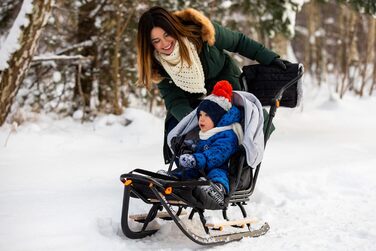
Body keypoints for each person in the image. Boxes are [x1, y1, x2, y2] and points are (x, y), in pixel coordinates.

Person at [136, 6, 285, 163]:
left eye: (167, 35)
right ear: (150, 45)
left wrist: (270, 58)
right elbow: (175, 100)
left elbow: (239, 42)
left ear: (174, 27)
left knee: (245, 122)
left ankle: (235, 167)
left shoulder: (201, 31)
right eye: (156, 41)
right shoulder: (157, 65)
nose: (165, 44)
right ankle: (190, 166)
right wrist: (195, 121)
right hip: (191, 107)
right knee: (179, 130)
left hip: (225, 91)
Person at [172, 80, 243, 207]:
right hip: (201, 169)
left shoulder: (228, 135)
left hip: (220, 167)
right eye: (200, 115)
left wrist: (197, 159)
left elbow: (218, 154)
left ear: (217, 118)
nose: (201, 119)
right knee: (187, 171)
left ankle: (217, 190)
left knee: (217, 173)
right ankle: (173, 180)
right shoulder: (205, 133)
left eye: (207, 115)